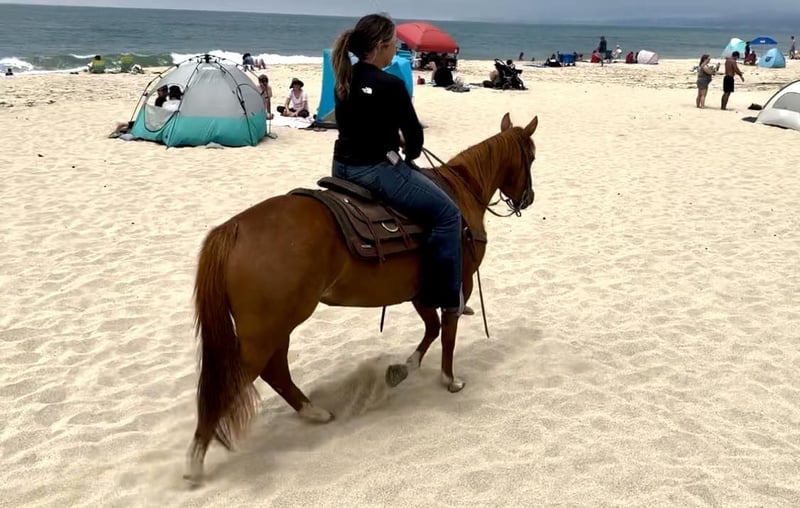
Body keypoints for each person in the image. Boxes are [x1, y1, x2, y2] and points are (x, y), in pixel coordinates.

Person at [329, 13, 463, 313]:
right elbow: (415, 139)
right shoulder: (391, 84)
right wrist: (408, 149)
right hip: (375, 171)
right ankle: (443, 295)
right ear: (380, 46)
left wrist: (389, 137)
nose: (397, 48)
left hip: (340, 167)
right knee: (449, 214)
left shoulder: (344, 78)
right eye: (394, 43)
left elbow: (357, 125)